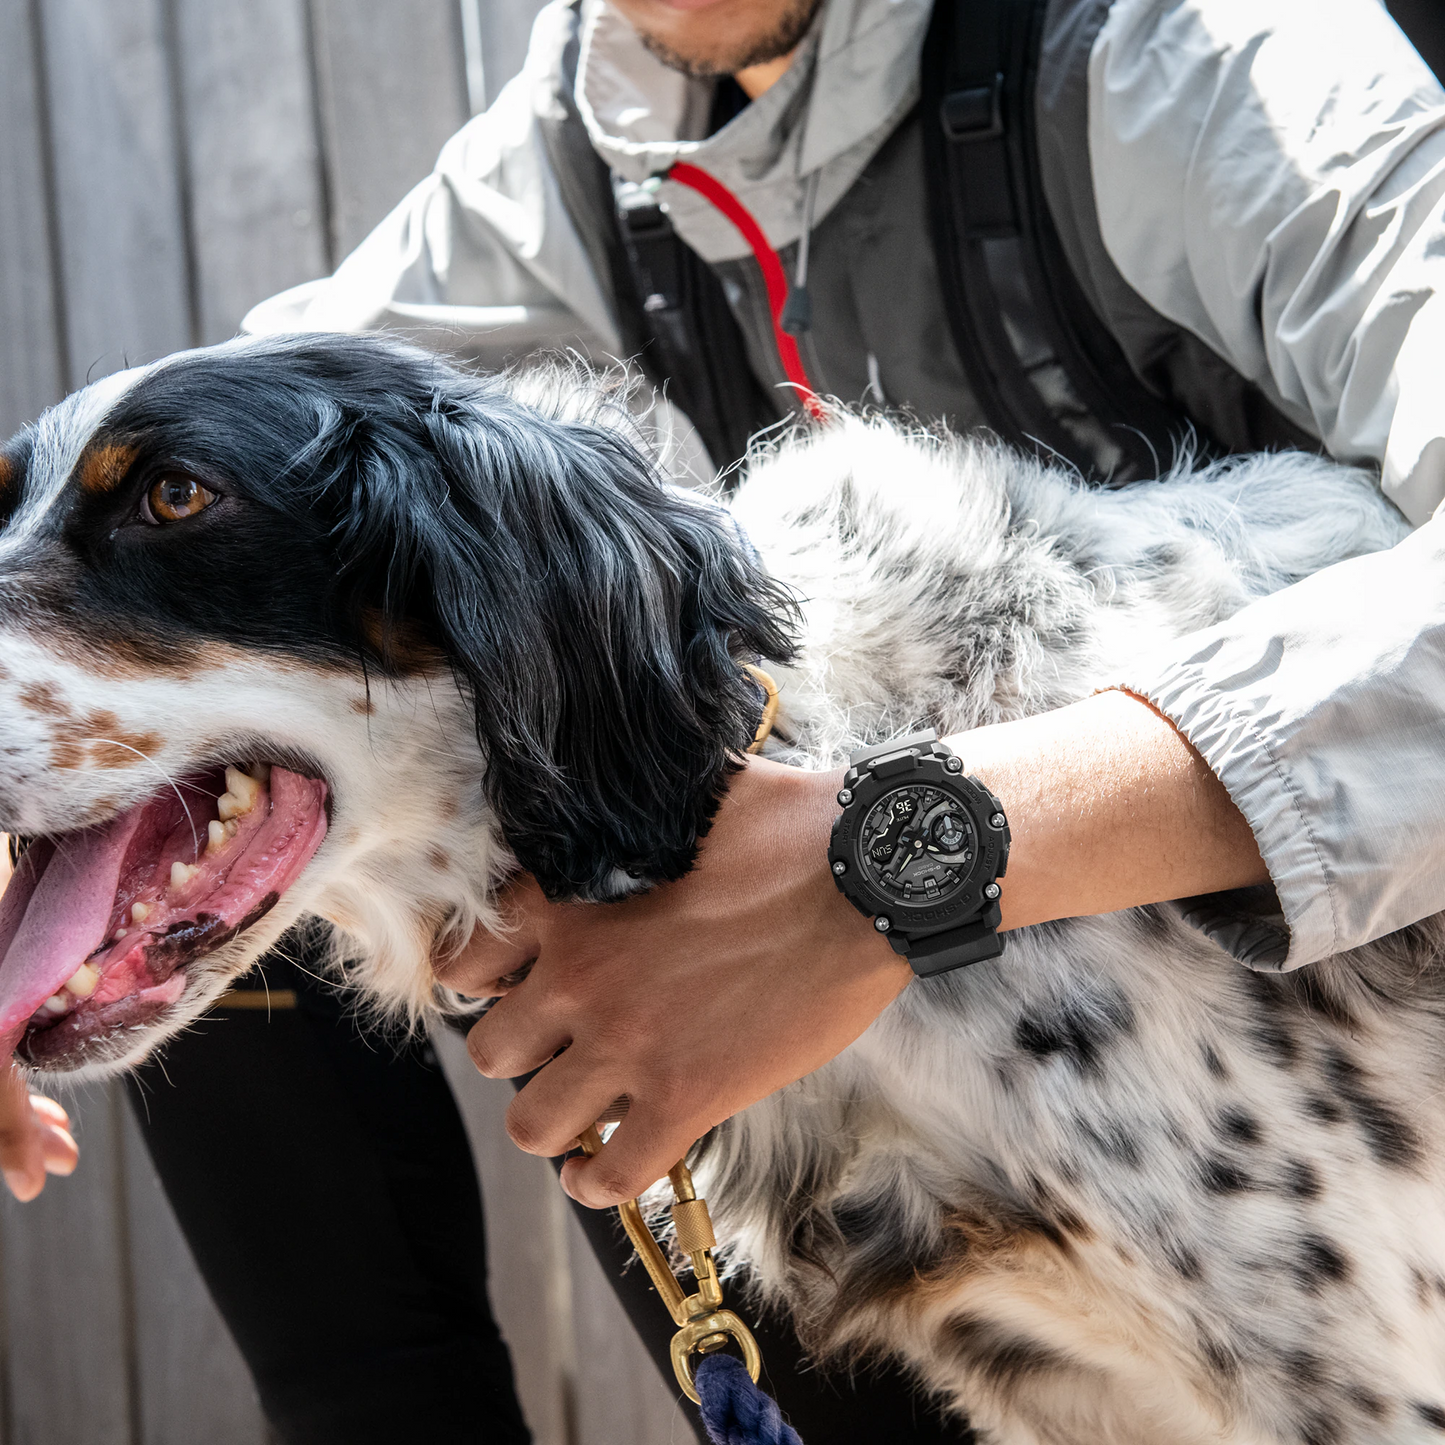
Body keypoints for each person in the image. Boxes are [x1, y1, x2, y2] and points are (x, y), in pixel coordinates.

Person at [7, 0, 1445, 1440]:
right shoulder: (593, 138)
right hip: (934, 1018)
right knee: (287, 804)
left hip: (1285, 946)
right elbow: (236, 433)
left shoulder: (1187, 49)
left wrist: (883, 870)